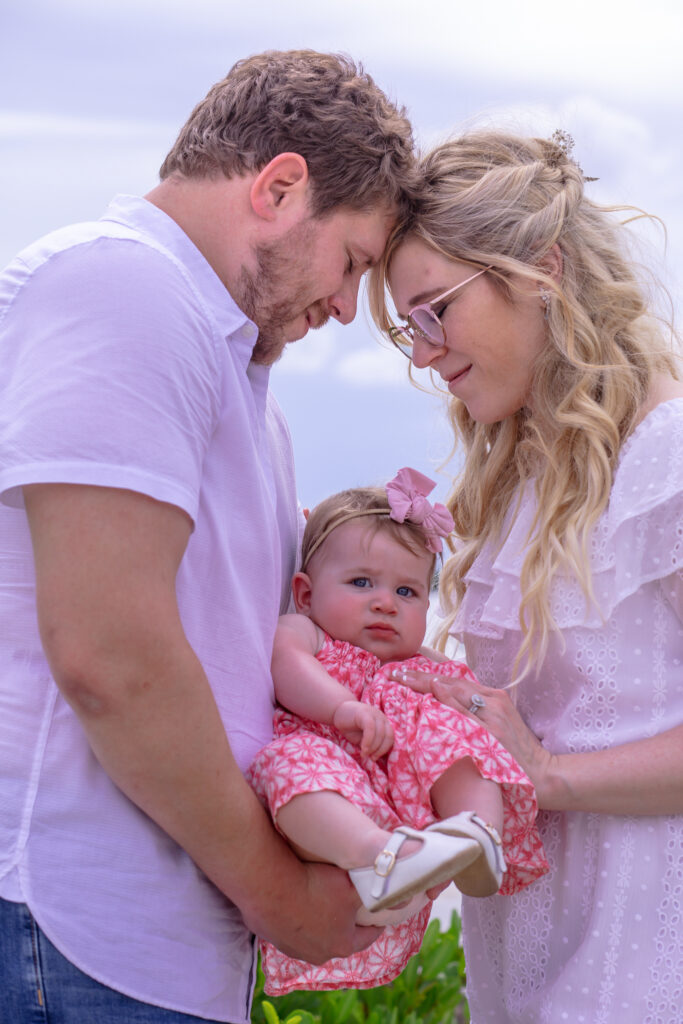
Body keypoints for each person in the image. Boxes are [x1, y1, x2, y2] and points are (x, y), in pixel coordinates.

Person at [0, 50, 420, 1023]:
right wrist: (280, 897)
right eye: (352, 262)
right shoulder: (124, 286)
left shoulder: (246, 393)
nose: (345, 307)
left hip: (147, 949)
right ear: (279, 188)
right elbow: (112, 655)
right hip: (71, 930)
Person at [368, 129, 683, 1023]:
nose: (423, 353)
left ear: (540, 268)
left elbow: (539, 756)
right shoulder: (517, 480)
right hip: (524, 967)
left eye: (435, 311)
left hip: (645, 969)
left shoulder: (666, 455)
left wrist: (545, 775)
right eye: (406, 328)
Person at [248, 468, 547, 995]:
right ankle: (375, 856)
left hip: (413, 810)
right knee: (289, 765)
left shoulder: (416, 665)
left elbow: (470, 707)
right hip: (341, 788)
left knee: (457, 738)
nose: (386, 602)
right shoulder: (308, 632)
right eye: (362, 583)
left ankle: (475, 834)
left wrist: (457, 697)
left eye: (407, 591)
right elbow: (284, 660)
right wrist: (342, 708)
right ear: (305, 593)